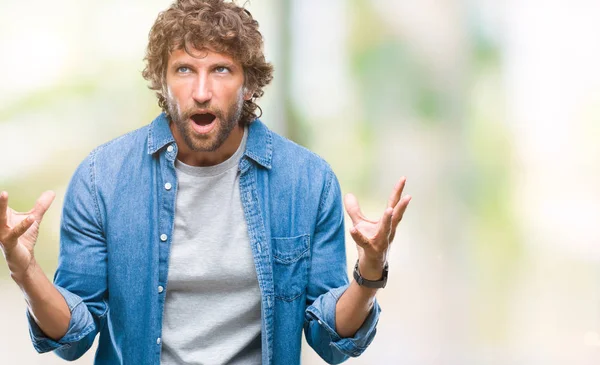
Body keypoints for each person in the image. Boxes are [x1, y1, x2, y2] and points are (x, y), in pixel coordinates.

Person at [0, 0, 411, 364]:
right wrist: (25, 269)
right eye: (184, 69)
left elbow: (331, 341)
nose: (201, 91)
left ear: (248, 84)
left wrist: (369, 272)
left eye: (220, 70)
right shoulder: (101, 179)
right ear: (162, 81)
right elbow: (73, 337)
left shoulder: (308, 181)